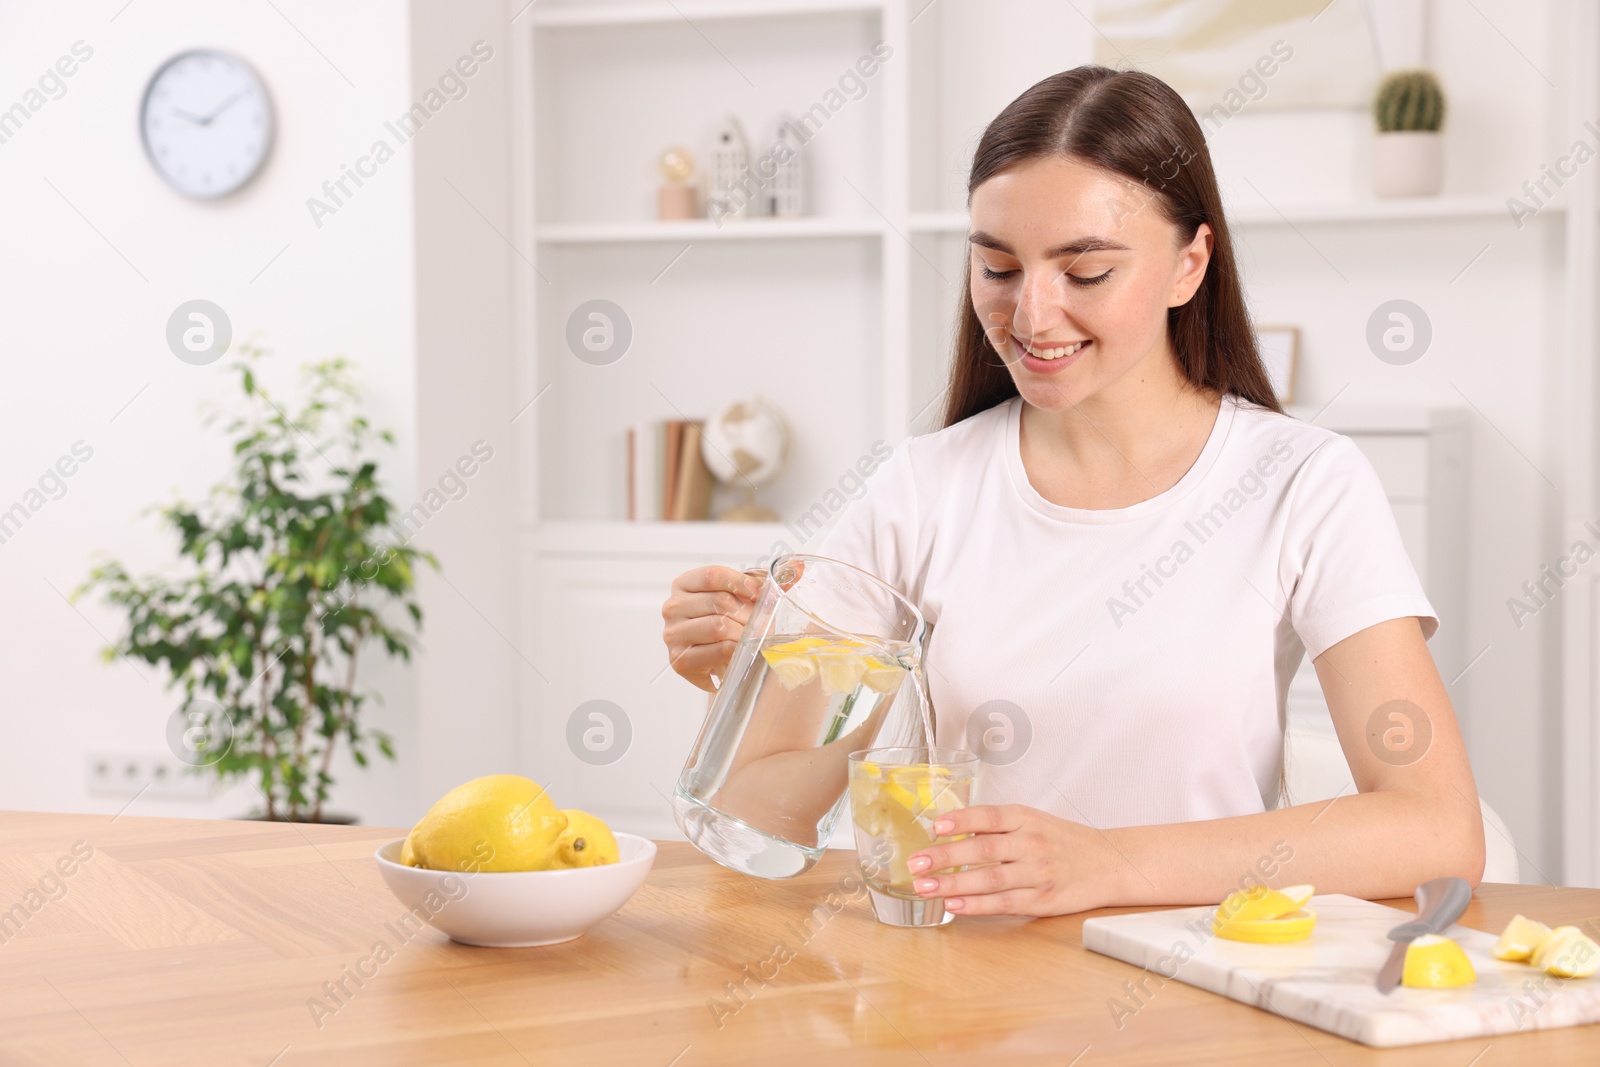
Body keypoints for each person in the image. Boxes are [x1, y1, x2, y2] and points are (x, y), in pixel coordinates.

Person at [660, 65, 1485, 917]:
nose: (1031, 317)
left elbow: (1436, 828)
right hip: (967, 1004)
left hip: (1197, 994)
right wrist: (756, 683)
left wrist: (1107, 866)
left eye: (1085, 273)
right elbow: (756, 818)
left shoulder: (1302, 483)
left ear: (1189, 265)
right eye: (998, 268)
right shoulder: (921, 486)